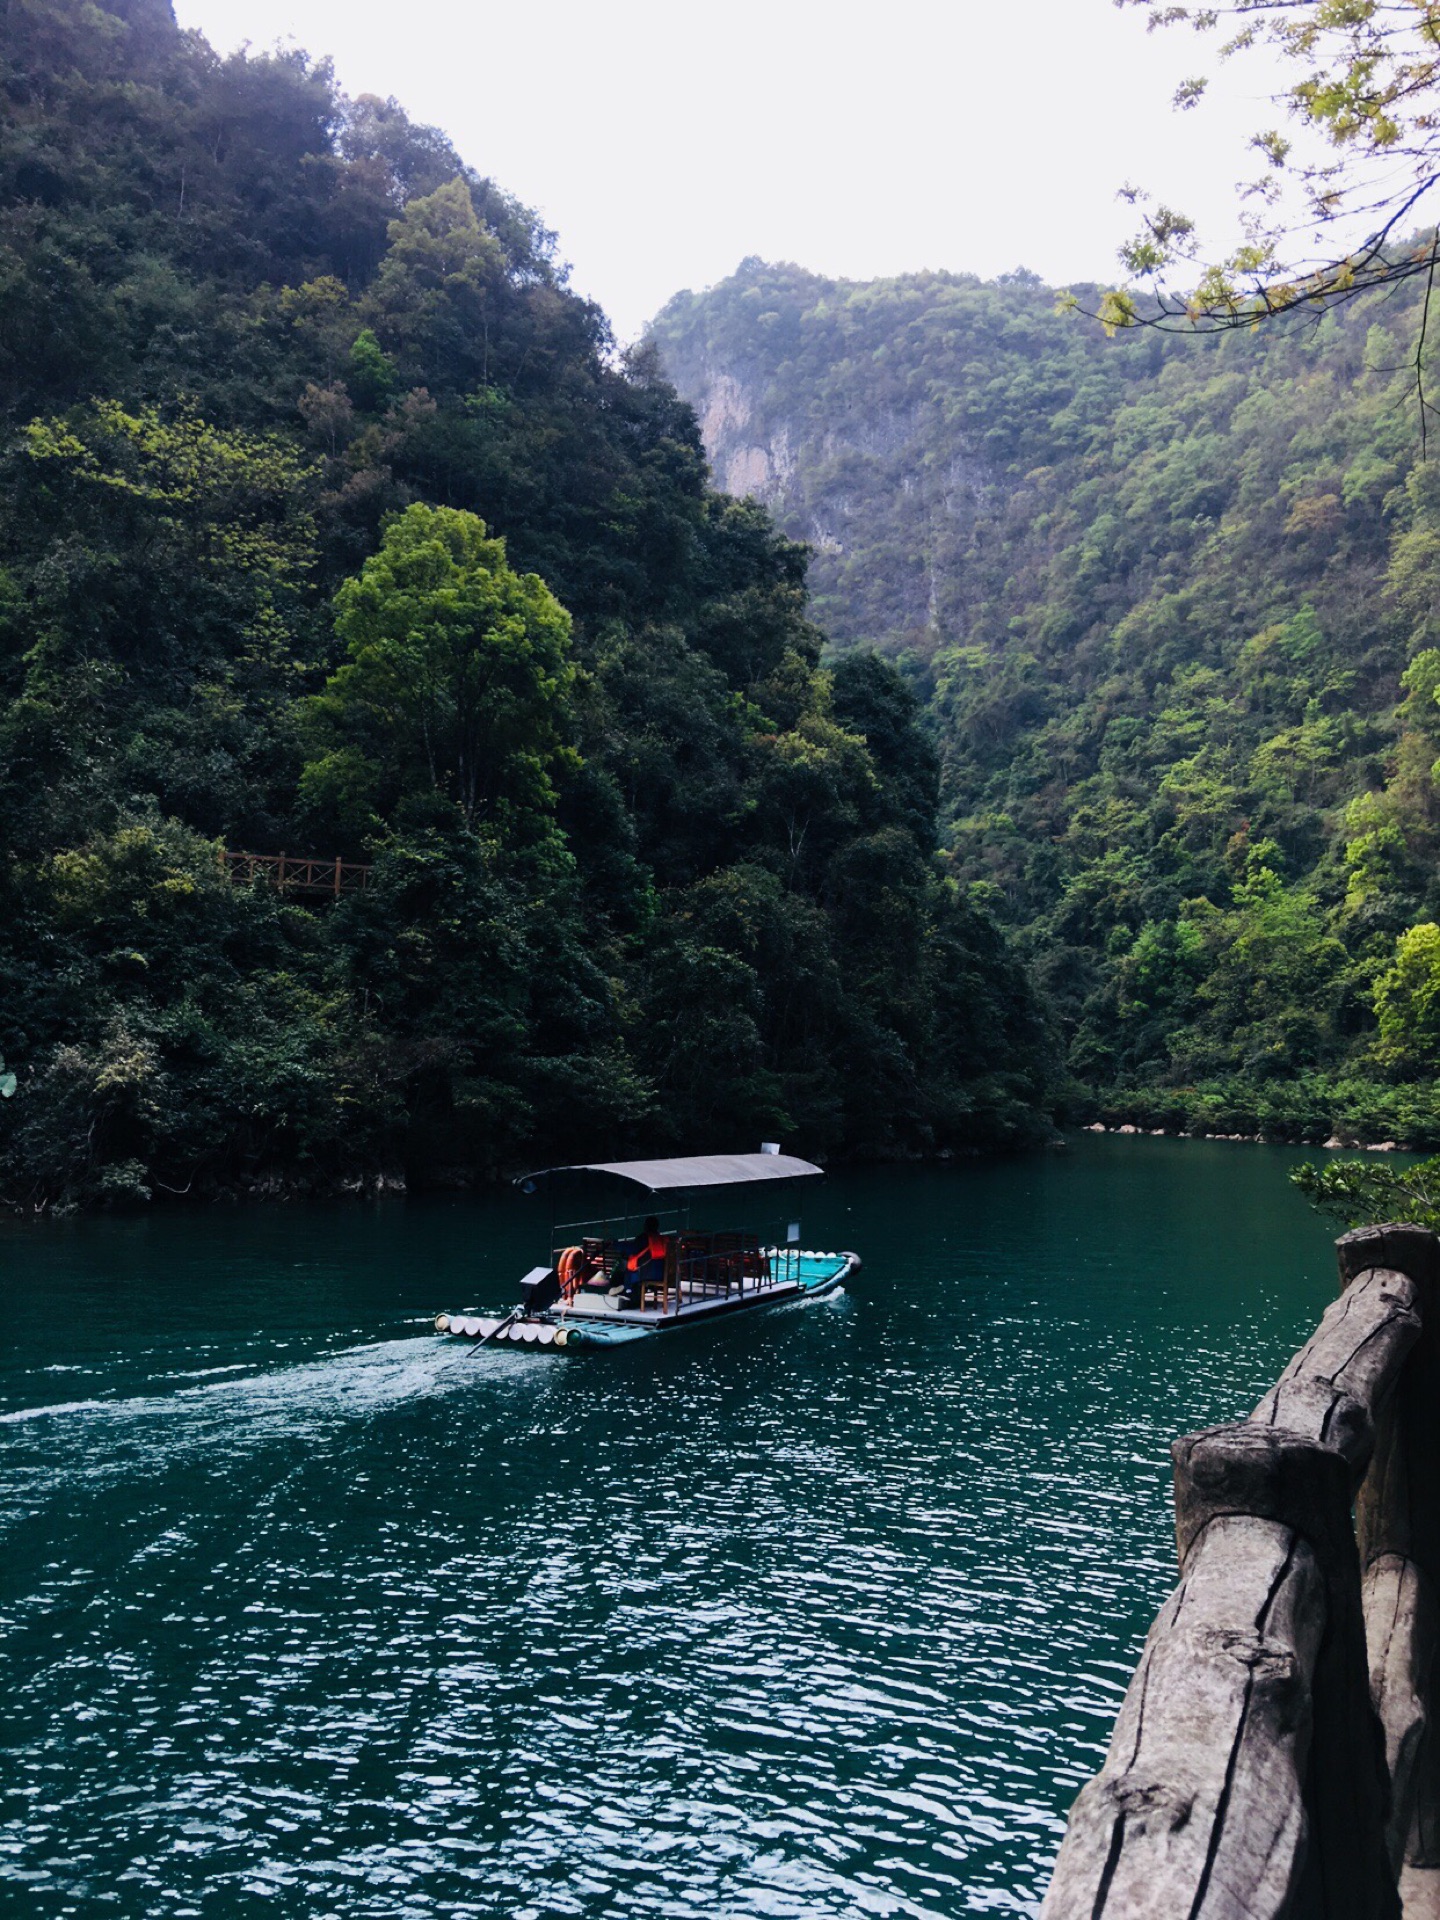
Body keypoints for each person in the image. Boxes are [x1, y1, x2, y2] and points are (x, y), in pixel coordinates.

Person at [613, 1216, 667, 1309]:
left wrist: (616, 1244)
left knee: (629, 1270)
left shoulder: (644, 1238)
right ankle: (627, 1291)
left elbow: (632, 1249)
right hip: (661, 1274)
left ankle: (628, 1292)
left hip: (645, 1274)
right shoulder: (660, 1239)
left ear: (645, 1226)